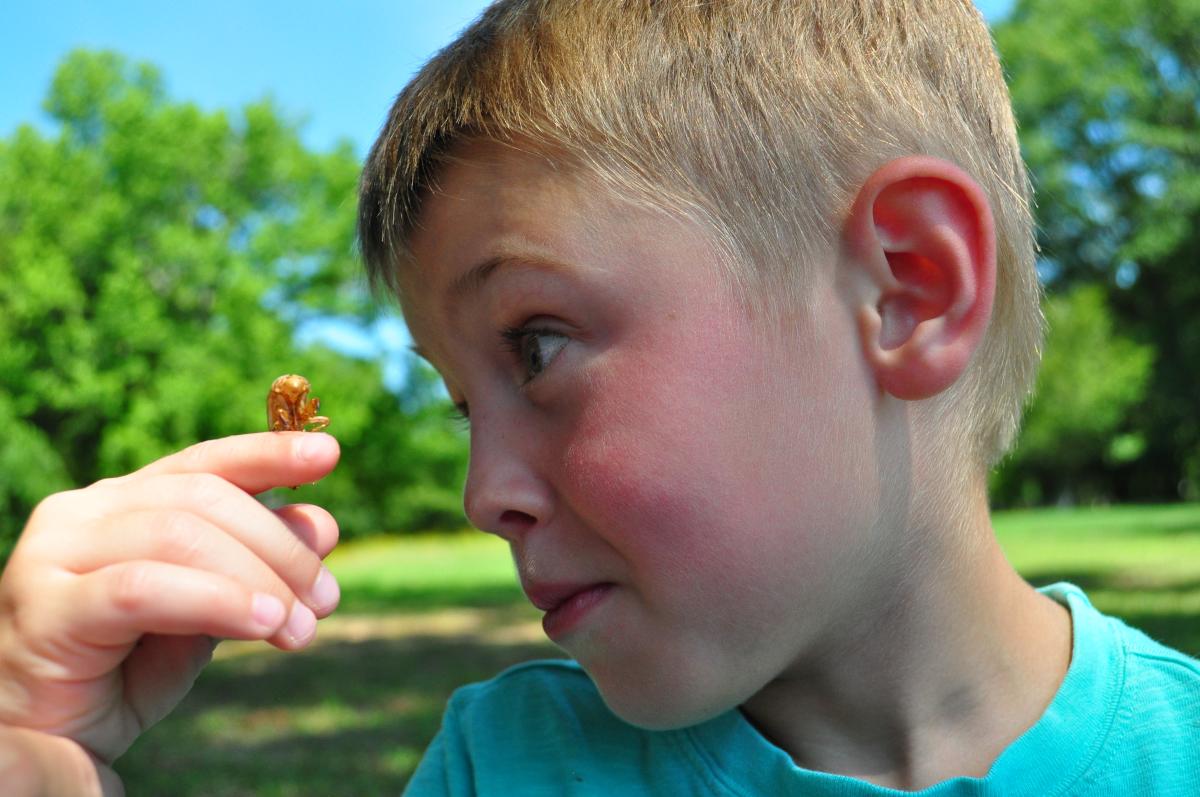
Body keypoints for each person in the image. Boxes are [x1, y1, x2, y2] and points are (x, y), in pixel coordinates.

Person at [2, 0, 1197, 794]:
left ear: (907, 289)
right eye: (466, 406)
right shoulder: (506, 765)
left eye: (535, 346)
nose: (482, 495)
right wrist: (39, 753)